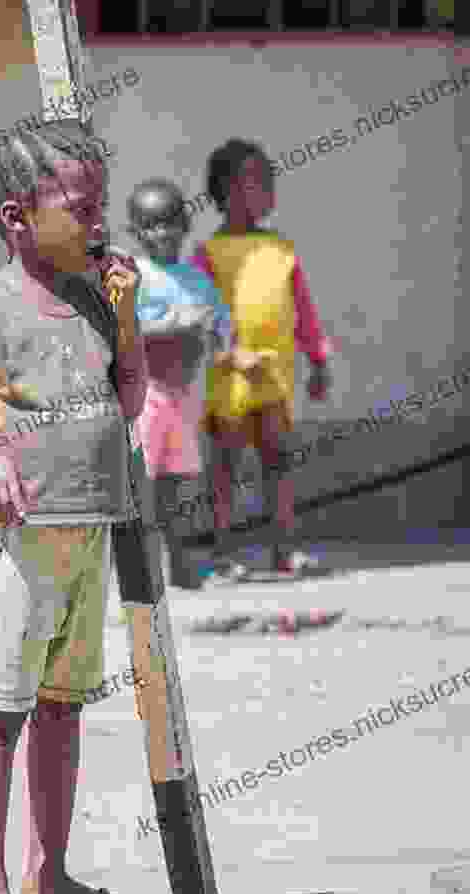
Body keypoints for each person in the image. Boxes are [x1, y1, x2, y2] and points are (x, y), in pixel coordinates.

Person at [0, 119, 146, 894]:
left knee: (62, 706)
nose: (99, 220)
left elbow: (129, 401)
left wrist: (125, 313)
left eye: (100, 205)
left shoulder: (97, 296)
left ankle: (47, 875)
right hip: (16, 538)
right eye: (81, 206)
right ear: (17, 216)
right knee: (0, 710)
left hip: (89, 529)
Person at [188, 138, 333, 579]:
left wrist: (319, 360)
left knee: (279, 463)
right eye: (262, 182)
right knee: (225, 470)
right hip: (229, 378)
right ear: (230, 191)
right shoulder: (207, 256)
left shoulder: (282, 251)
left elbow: (303, 310)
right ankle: (223, 556)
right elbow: (199, 319)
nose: (271, 190)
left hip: (274, 376)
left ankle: (284, 553)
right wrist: (231, 354)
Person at [126, 177, 232, 588]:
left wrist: (227, 345)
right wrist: (173, 326)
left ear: (185, 228)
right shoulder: (133, 277)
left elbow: (218, 320)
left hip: (185, 397)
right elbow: (122, 332)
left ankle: (182, 567)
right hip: (148, 395)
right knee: (145, 482)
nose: (163, 233)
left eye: (171, 223)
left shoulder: (196, 280)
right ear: (137, 232)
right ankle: (142, 569)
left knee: (181, 483)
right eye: (152, 225)